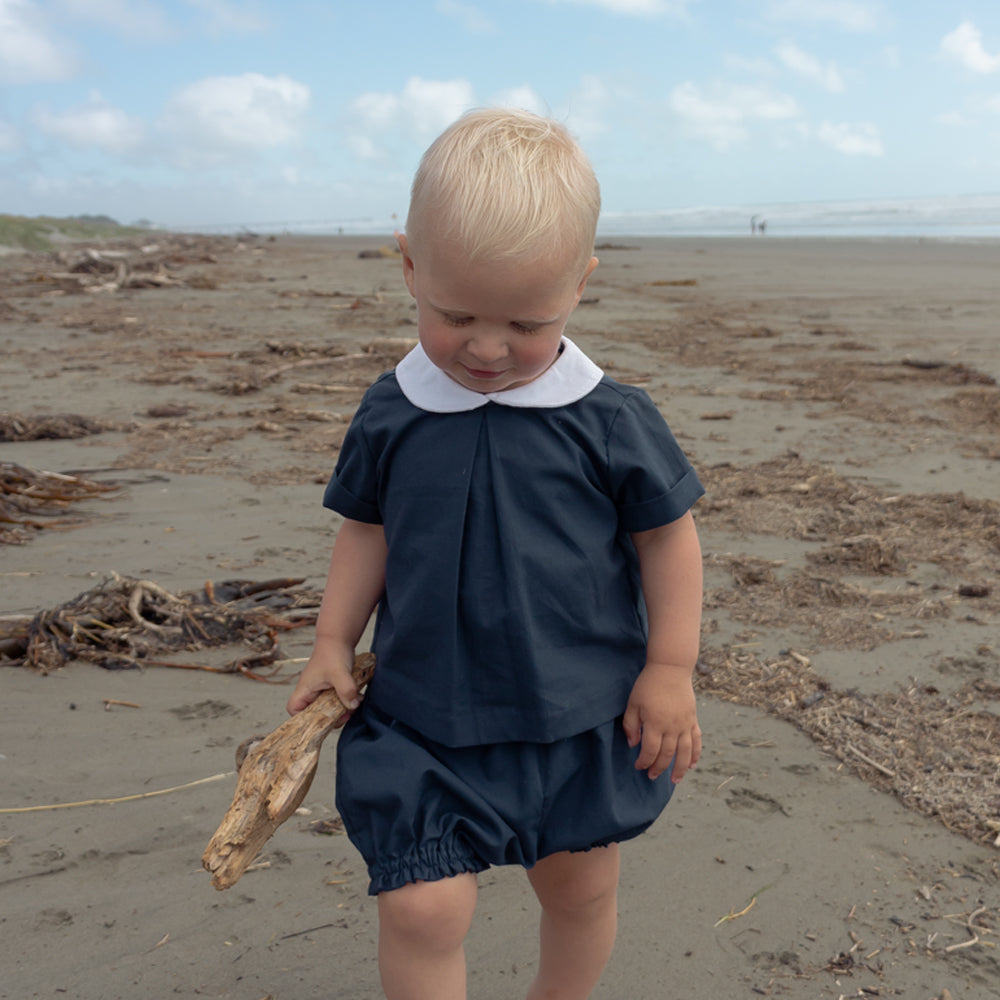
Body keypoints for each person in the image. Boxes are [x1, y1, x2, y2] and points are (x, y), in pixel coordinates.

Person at [287, 108, 705, 1000]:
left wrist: (670, 666)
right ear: (408, 266)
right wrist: (332, 640)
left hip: (579, 715)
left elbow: (669, 538)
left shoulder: (610, 420)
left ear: (580, 288)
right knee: (422, 909)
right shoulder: (392, 413)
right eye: (456, 313)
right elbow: (367, 529)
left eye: (525, 321)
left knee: (580, 886)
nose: (485, 347)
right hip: (424, 715)